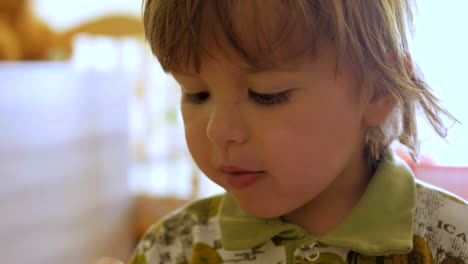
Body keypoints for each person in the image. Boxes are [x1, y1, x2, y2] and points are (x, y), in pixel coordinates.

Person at [129, 0, 468, 263]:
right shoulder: (172, 249)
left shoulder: (453, 244)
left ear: (378, 90)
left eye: (266, 95)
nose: (218, 131)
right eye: (196, 94)